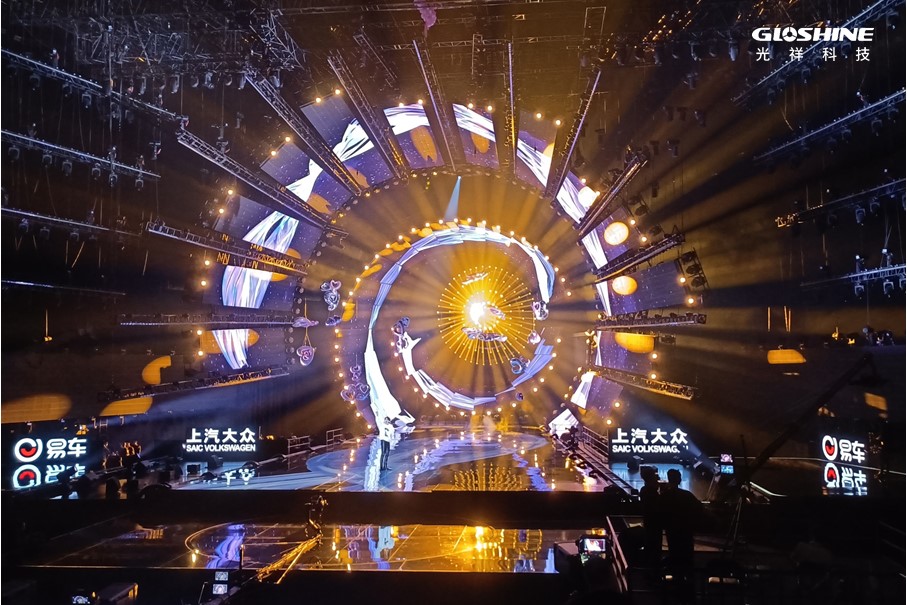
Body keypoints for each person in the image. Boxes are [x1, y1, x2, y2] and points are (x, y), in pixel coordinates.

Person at [660, 469, 703, 574]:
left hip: (671, 528)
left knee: (674, 551)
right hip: (686, 528)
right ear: (679, 480)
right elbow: (699, 507)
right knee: (687, 553)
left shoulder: (664, 496)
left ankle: (675, 573)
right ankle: (688, 575)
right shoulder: (687, 495)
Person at [639, 466, 663, 568]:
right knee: (654, 547)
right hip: (654, 524)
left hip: (650, 523)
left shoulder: (644, 490)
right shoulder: (650, 491)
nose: (657, 478)